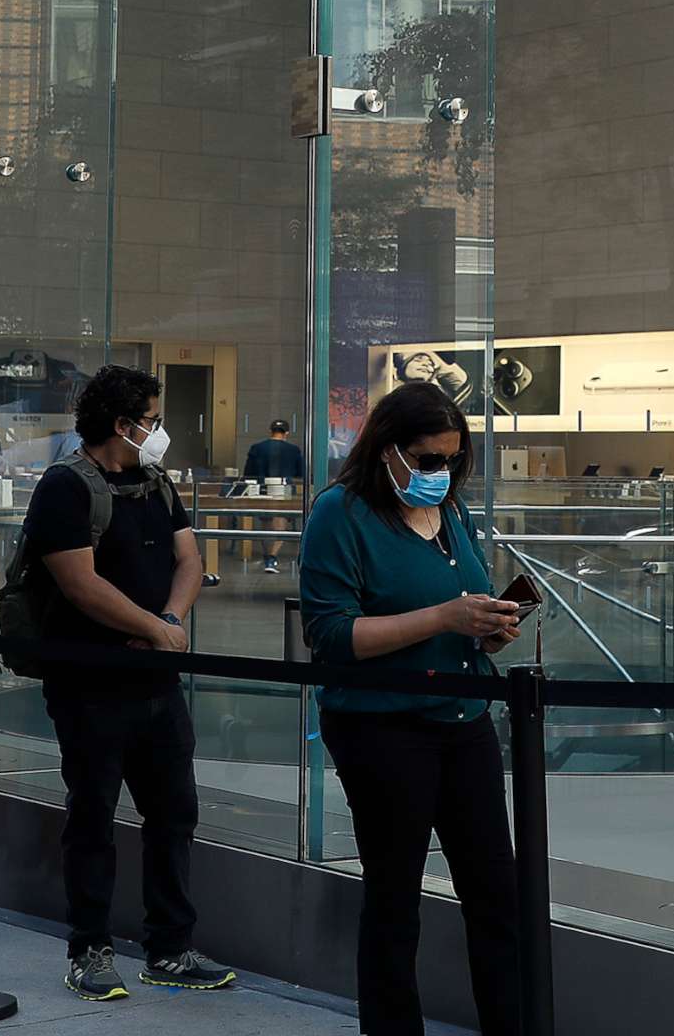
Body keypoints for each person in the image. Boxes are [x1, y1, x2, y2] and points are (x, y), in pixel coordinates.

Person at [300, 381, 523, 1035]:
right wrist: (442, 616)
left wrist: (486, 627)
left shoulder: (452, 513)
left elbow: (463, 601)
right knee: (395, 900)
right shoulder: (341, 514)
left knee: (495, 895)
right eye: (427, 459)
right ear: (388, 449)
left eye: (451, 460)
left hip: (463, 717)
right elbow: (333, 636)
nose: (440, 472)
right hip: (383, 727)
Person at [20, 363, 235, 999]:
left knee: (174, 812)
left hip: (156, 683)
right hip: (90, 682)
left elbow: (190, 558)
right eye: (151, 420)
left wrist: (168, 622)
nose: (158, 431)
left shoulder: (156, 482)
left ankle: (170, 945)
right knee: (92, 816)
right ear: (121, 424)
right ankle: (89, 948)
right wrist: (153, 626)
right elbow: (78, 582)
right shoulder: (66, 487)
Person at [243, 419, 307, 575]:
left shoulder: (257, 448)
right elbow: (301, 473)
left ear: (270, 431)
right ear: (286, 433)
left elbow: (248, 472)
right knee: (280, 524)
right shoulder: (293, 450)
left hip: (262, 490)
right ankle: (272, 557)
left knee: (265, 523)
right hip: (283, 491)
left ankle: (267, 556)